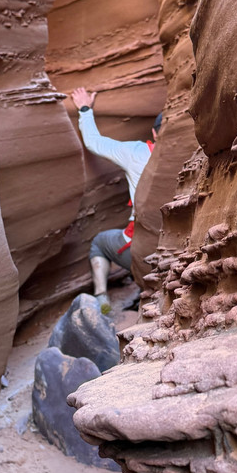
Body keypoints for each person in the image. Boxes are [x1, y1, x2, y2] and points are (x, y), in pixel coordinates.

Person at [69, 87, 160, 308]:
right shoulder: (195, 154)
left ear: (155, 133)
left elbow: (94, 143)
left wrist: (84, 109)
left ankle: (102, 302)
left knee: (100, 243)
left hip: (145, 251)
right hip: (182, 250)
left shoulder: (137, 153)